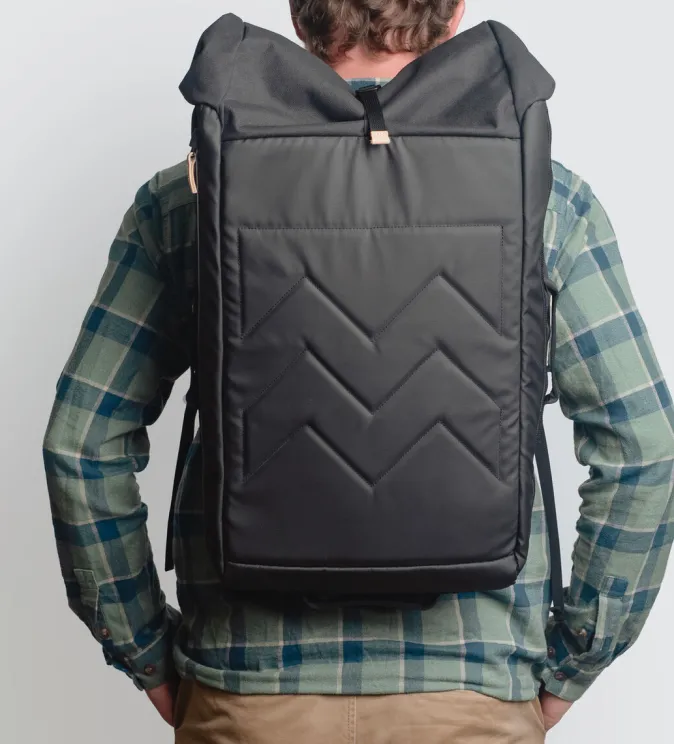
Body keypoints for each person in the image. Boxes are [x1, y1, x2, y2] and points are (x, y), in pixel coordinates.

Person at [43, 2, 674, 742]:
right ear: (455, 11)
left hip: (249, 691)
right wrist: (574, 662)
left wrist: (146, 653)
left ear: (298, 12)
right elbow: (642, 447)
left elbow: (83, 443)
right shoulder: (545, 196)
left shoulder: (190, 195)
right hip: (470, 692)